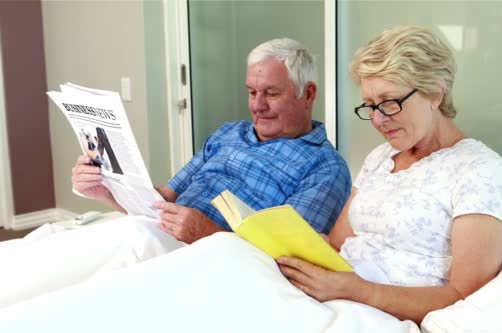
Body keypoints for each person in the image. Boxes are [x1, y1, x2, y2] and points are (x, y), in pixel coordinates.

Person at [0, 38, 351, 308]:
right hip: (157, 229)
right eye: (252, 91)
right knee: (48, 250)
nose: (257, 105)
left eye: (271, 93)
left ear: (308, 94)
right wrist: (109, 191)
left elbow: (288, 261)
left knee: (71, 286)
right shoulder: (229, 133)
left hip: (202, 255)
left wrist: (206, 233)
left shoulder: (325, 167)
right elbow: (164, 198)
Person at [277, 25, 502, 324]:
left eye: (389, 102)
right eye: (369, 105)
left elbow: (466, 296)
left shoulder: (481, 171)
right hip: (334, 292)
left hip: (375, 313)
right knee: (224, 252)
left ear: (435, 93)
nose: (377, 119)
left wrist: (356, 290)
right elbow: (338, 244)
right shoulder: (380, 158)